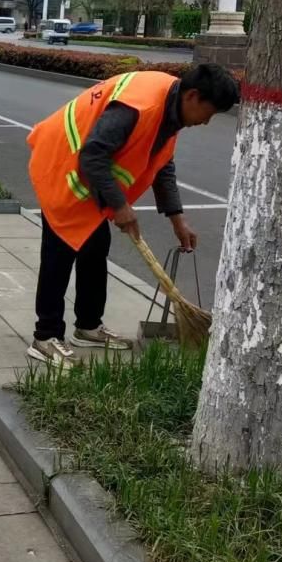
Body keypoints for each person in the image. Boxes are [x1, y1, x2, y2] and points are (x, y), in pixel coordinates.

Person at [25, 63, 240, 366]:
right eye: (210, 112)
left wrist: (177, 218)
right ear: (193, 96)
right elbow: (93, 153)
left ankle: (87, 326)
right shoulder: (140, 105)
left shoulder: (172, 110)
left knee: (95, 247)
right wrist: (120, 205)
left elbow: (162, 164)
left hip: (88, 177)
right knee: (59, 253)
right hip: (63, 166)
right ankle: (45, 336)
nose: (207, 122)